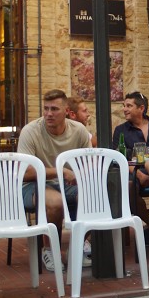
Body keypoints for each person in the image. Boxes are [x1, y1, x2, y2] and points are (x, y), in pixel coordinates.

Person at [17, 89, 93, 272]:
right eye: (46, 108)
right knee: (55, 202)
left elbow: (89, 162)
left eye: (54, 109)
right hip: (34, 185)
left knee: (96, 196)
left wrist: (80, 177)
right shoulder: (31, 131)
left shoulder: (79, 131)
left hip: (68, 185)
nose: (49, 114)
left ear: (66, 111)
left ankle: (78, 246)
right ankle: (50, 250)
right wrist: (62, 172)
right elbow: (25, 172)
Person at [111, 91, 149, 230]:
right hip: (134, 173)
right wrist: (139, 175)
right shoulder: (120, 130)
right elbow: (118, 158)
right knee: (128, 188)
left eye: (129, 106)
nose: (124, 109)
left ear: (141, 108)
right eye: (124, 105)